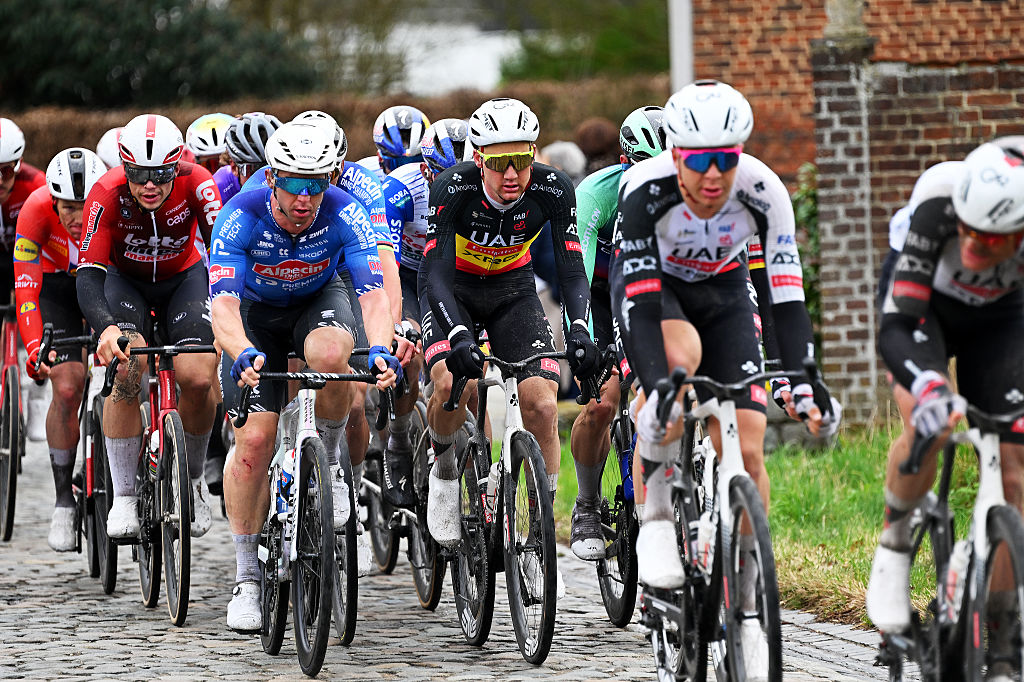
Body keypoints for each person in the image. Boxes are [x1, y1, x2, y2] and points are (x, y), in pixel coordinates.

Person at [612, 80, 838, 680]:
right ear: (676, 155)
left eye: (727, 158)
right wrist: (658, 385)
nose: (714, 176)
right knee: (675, 373)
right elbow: (635, 303)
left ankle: (746, 582)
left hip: (724, 292)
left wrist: (803, 375)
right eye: (699, 161)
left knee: (750, 434)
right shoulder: (644, 191)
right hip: (654, 291)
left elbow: (785, 299)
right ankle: (656, 519)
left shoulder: (764, 191)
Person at [208, 122, 401, 631]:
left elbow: (373, 295)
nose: (306, 196)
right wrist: (242, 350)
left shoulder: (344, 211)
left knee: (336, 357)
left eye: (317, 183)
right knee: (254, 439)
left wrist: (379, 347)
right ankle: (247, 577)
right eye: (294, 183)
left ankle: (332, 464)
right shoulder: (239, 217)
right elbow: (222, 305)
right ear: (271, 178)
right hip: (255, 316)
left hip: (317, 300)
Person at [420, 97, 603, 598]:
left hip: (512, 292)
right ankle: (443, 468)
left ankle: (541, 539)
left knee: (543, 401)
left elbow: (570, 268)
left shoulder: (551, 188)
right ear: (477, 157)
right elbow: (433, 273)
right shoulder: (452, 188)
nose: (511, 174)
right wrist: (456, 333)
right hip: (453, 290)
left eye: (521, 159)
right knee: (451, 384)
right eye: (498, 162)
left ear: (535, 153)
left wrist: (581, 329)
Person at [866, 144, 1024, 682]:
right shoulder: (939, 201)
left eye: (993, 238)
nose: (975, 244)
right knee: (927, 423)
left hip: (1004, 318)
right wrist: (931, 385)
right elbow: (898, 322)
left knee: (1015, 467)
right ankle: (894, 544)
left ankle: (1002, 636)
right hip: (924, 310)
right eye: (969, 231)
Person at [77, 113, 222, 541]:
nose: (150, 185)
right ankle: (123, 493)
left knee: (197, 376)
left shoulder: (198, 183)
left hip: (185, 279)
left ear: (177, 164)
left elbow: (226, 248)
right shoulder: (105, 193)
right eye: (139, 174)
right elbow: (88, 275)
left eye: (161, 174)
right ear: (124, 166)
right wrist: (105, 329)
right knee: (127, 368)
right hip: (127, 284)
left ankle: (193, 478)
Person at [568, 105, 666, 560]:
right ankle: (587, 503)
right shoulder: (596, 193)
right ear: (625, 162)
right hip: (603, 292)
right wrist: (582, 333)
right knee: (603, 402)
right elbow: (579, 269)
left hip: (657, 289)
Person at [14, 147, 106, 550]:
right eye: (68, 207)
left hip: (104, 284)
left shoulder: (113, 208)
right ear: (52, 201)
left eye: (85, 206)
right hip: (56, 290)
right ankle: (63, 501)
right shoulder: (33, 211)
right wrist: (35, 347)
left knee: (131, 373)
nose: (77, 217)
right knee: (67, 386)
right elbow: (27, 291)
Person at [378, 117, 470, 507]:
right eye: (438, 174)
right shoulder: (401, 188)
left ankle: (477, 467)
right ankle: (399, 441)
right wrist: (400, 324)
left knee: (472, 375)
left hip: (456, 274)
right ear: (424, 166)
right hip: (409, 273)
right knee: (409, 350)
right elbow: (387, 261)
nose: (448, 182)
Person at [1, 118, 49, 442]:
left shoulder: (35, 184)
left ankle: (38, 391)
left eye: (7, 170)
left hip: (27, 260)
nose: (0, 180)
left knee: (42, 316)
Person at [213, 112, 282, 206]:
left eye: (273, 169)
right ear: (234, 168)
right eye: (253, 170)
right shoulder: (219, 187)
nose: (265, 178)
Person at [356, 105, 430, 182]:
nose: (407, 172)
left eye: (415, 161)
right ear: (380, 159)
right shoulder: (362, 172)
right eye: (397, 164)